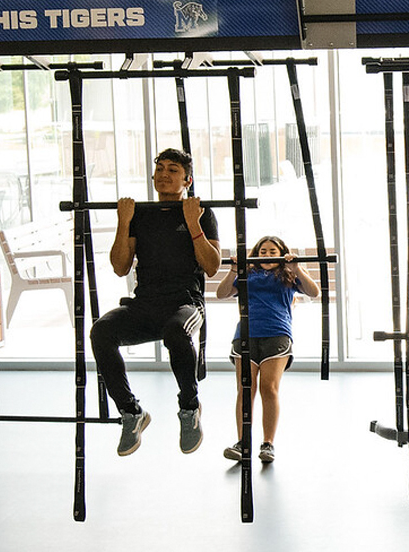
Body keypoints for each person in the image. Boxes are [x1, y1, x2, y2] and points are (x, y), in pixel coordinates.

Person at [92, 148, 221, 456]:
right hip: (145, 304)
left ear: (187, 180)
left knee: (176, 332)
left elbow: (212, 266)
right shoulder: (142, 214)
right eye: (160, 169)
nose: (164, 174)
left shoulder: (202, 213)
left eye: (173, 170)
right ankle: (131, 411)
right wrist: (123, 223)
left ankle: (189, 408)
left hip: (185, 303)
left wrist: (193, 225)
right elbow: (120, 267)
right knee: (102, 331)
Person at [214, 236, 319, 463]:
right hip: (245, 335)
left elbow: (314, 292)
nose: (268, 255)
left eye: (273, 252)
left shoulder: (288, 275)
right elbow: (221, 293)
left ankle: (268, 444)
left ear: (281, 254)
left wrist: (297, 268)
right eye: (263, 251)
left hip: (277, 335)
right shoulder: (246, 274)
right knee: (245, 389)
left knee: (269, 389)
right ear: (256, 254)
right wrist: (233, 270)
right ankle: (242, 443)